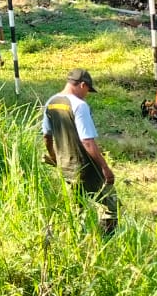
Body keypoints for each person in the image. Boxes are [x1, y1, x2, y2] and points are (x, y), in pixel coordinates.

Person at [42, 68, 118, 235]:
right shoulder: (79, 105)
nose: (87, 94)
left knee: (77, 208)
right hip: (86, 167)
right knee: (111, 205)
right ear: (82, 84)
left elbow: (47, 137)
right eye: (87, 90)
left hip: (65, 167)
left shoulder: (51, 102)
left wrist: (55, 158)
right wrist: (105, 168)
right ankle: (106, 241)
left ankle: (77, 239)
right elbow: (87, 141)